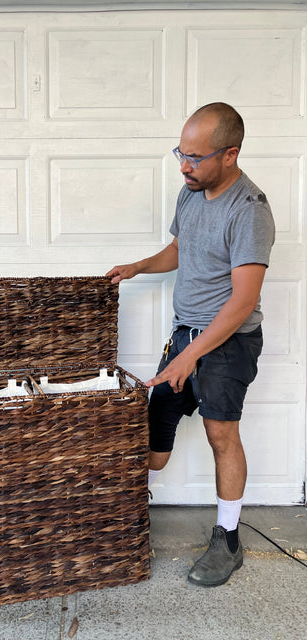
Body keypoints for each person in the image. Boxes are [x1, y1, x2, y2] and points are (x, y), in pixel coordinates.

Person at [106, 102, 275, 587]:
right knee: (154, 421)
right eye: (180, 152)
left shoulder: (250, 211)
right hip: (186, 334)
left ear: (230, 154)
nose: (184, 165)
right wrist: (139, 266)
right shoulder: (190, 192)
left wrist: (189, 357)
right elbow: (181, 249)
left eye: (195, 157)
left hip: (228, 342)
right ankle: (129, 507)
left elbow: (243, 302)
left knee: (221, 434)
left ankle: (227, 539)